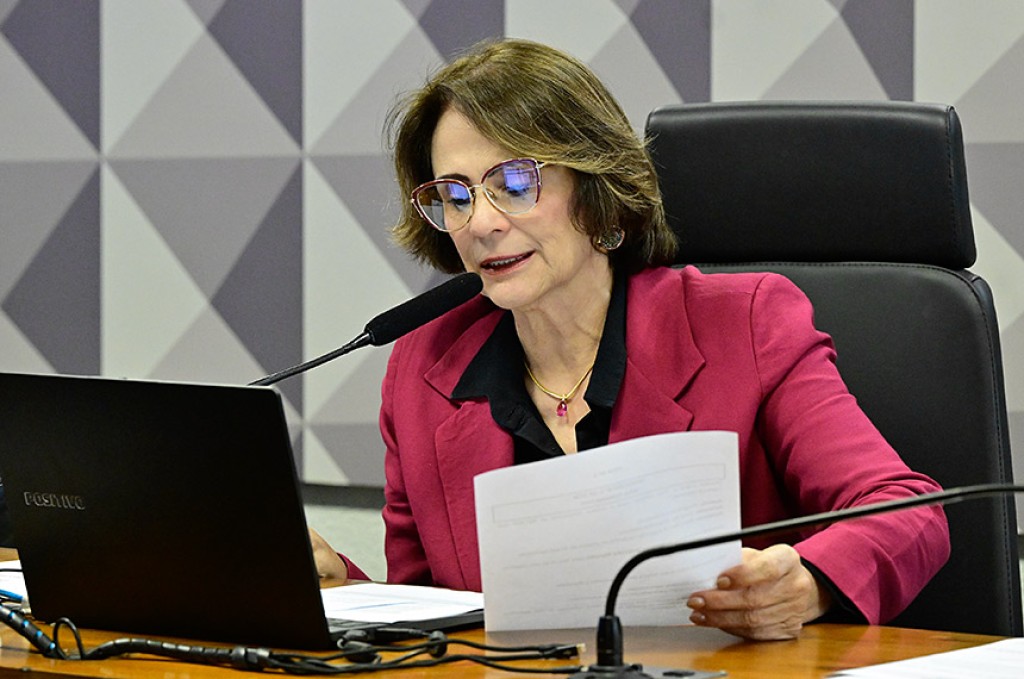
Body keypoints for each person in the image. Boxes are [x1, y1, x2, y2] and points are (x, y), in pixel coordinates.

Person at [312, 38, 949, 641]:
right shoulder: (425, 368)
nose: (480, 223)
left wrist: (808, 583)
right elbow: (432, 613)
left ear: (596, 188)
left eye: (514, 184)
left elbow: (905, 510)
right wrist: (341, 583)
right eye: (454, 196)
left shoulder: (745, 324)